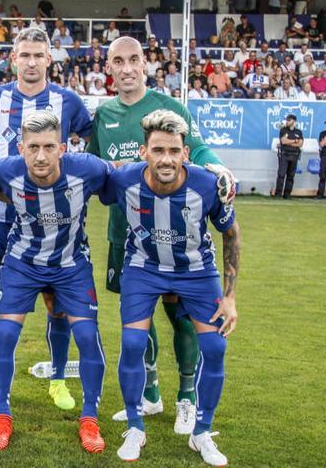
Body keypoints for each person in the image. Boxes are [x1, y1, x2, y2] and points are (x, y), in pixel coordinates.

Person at [86, 37, 236, 433]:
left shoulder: (170, 108)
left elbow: (199, 150)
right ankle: (150, 393)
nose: (127, 67)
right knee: (140, 317)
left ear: (145, 64)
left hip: (180, 237)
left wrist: (220, 169)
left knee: (183, 317)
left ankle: (187, 397)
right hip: (127, 235)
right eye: (118, 61)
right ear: (110, 68)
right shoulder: (103, 115)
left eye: (134, 59)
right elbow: (94, 167)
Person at [0, 110, 110, 453]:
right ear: (20, 148)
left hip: (71, 264)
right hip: (22, 263)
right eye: (33, 146)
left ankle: (90, 418)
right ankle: (2, 417)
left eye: (49, 147)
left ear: (62, 148)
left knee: (86, 334)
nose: (40, 155)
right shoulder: (9, 170)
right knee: (5, 333)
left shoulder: (88, 169)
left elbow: (123, 177)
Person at [103, 109, 241, 466]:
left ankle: (202, 431)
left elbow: (231, 234)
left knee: (215, 347)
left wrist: (229, 296)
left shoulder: (208, 185)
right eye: (158, 150)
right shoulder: (123, 180)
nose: (166, 159)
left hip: (196, 271)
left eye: (174, 151)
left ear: (185, 153)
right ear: (144, 151)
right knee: (133, 343)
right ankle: (135, 425)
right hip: (143, 267)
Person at [0, 28, 93, 411]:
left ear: (49, 59)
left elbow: (93, 140)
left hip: (56, 220)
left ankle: (58, 379)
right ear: (13, 59)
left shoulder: (68, 101)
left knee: (57, 302)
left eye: (39, 55)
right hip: (4, 214)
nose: (31, 62)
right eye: (24, 55)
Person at [275, 113, 303, 199]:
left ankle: (287, 194)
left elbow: (300, 144)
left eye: (289, 120)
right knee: (281, 174)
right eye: (286, 120)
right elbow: (283, 141)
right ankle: (278, 194)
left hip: (294, 155)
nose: (287, 121)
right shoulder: (283, 130)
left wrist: (289, 142)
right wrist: (295, 141)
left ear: (294, 121)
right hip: (284, 155)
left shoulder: (298, 132)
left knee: (291, 176)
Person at [317, 118, 326, 199]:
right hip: (325, 156)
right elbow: (322, 144)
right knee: (322, 176)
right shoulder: (323, 133)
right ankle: (320, 194)